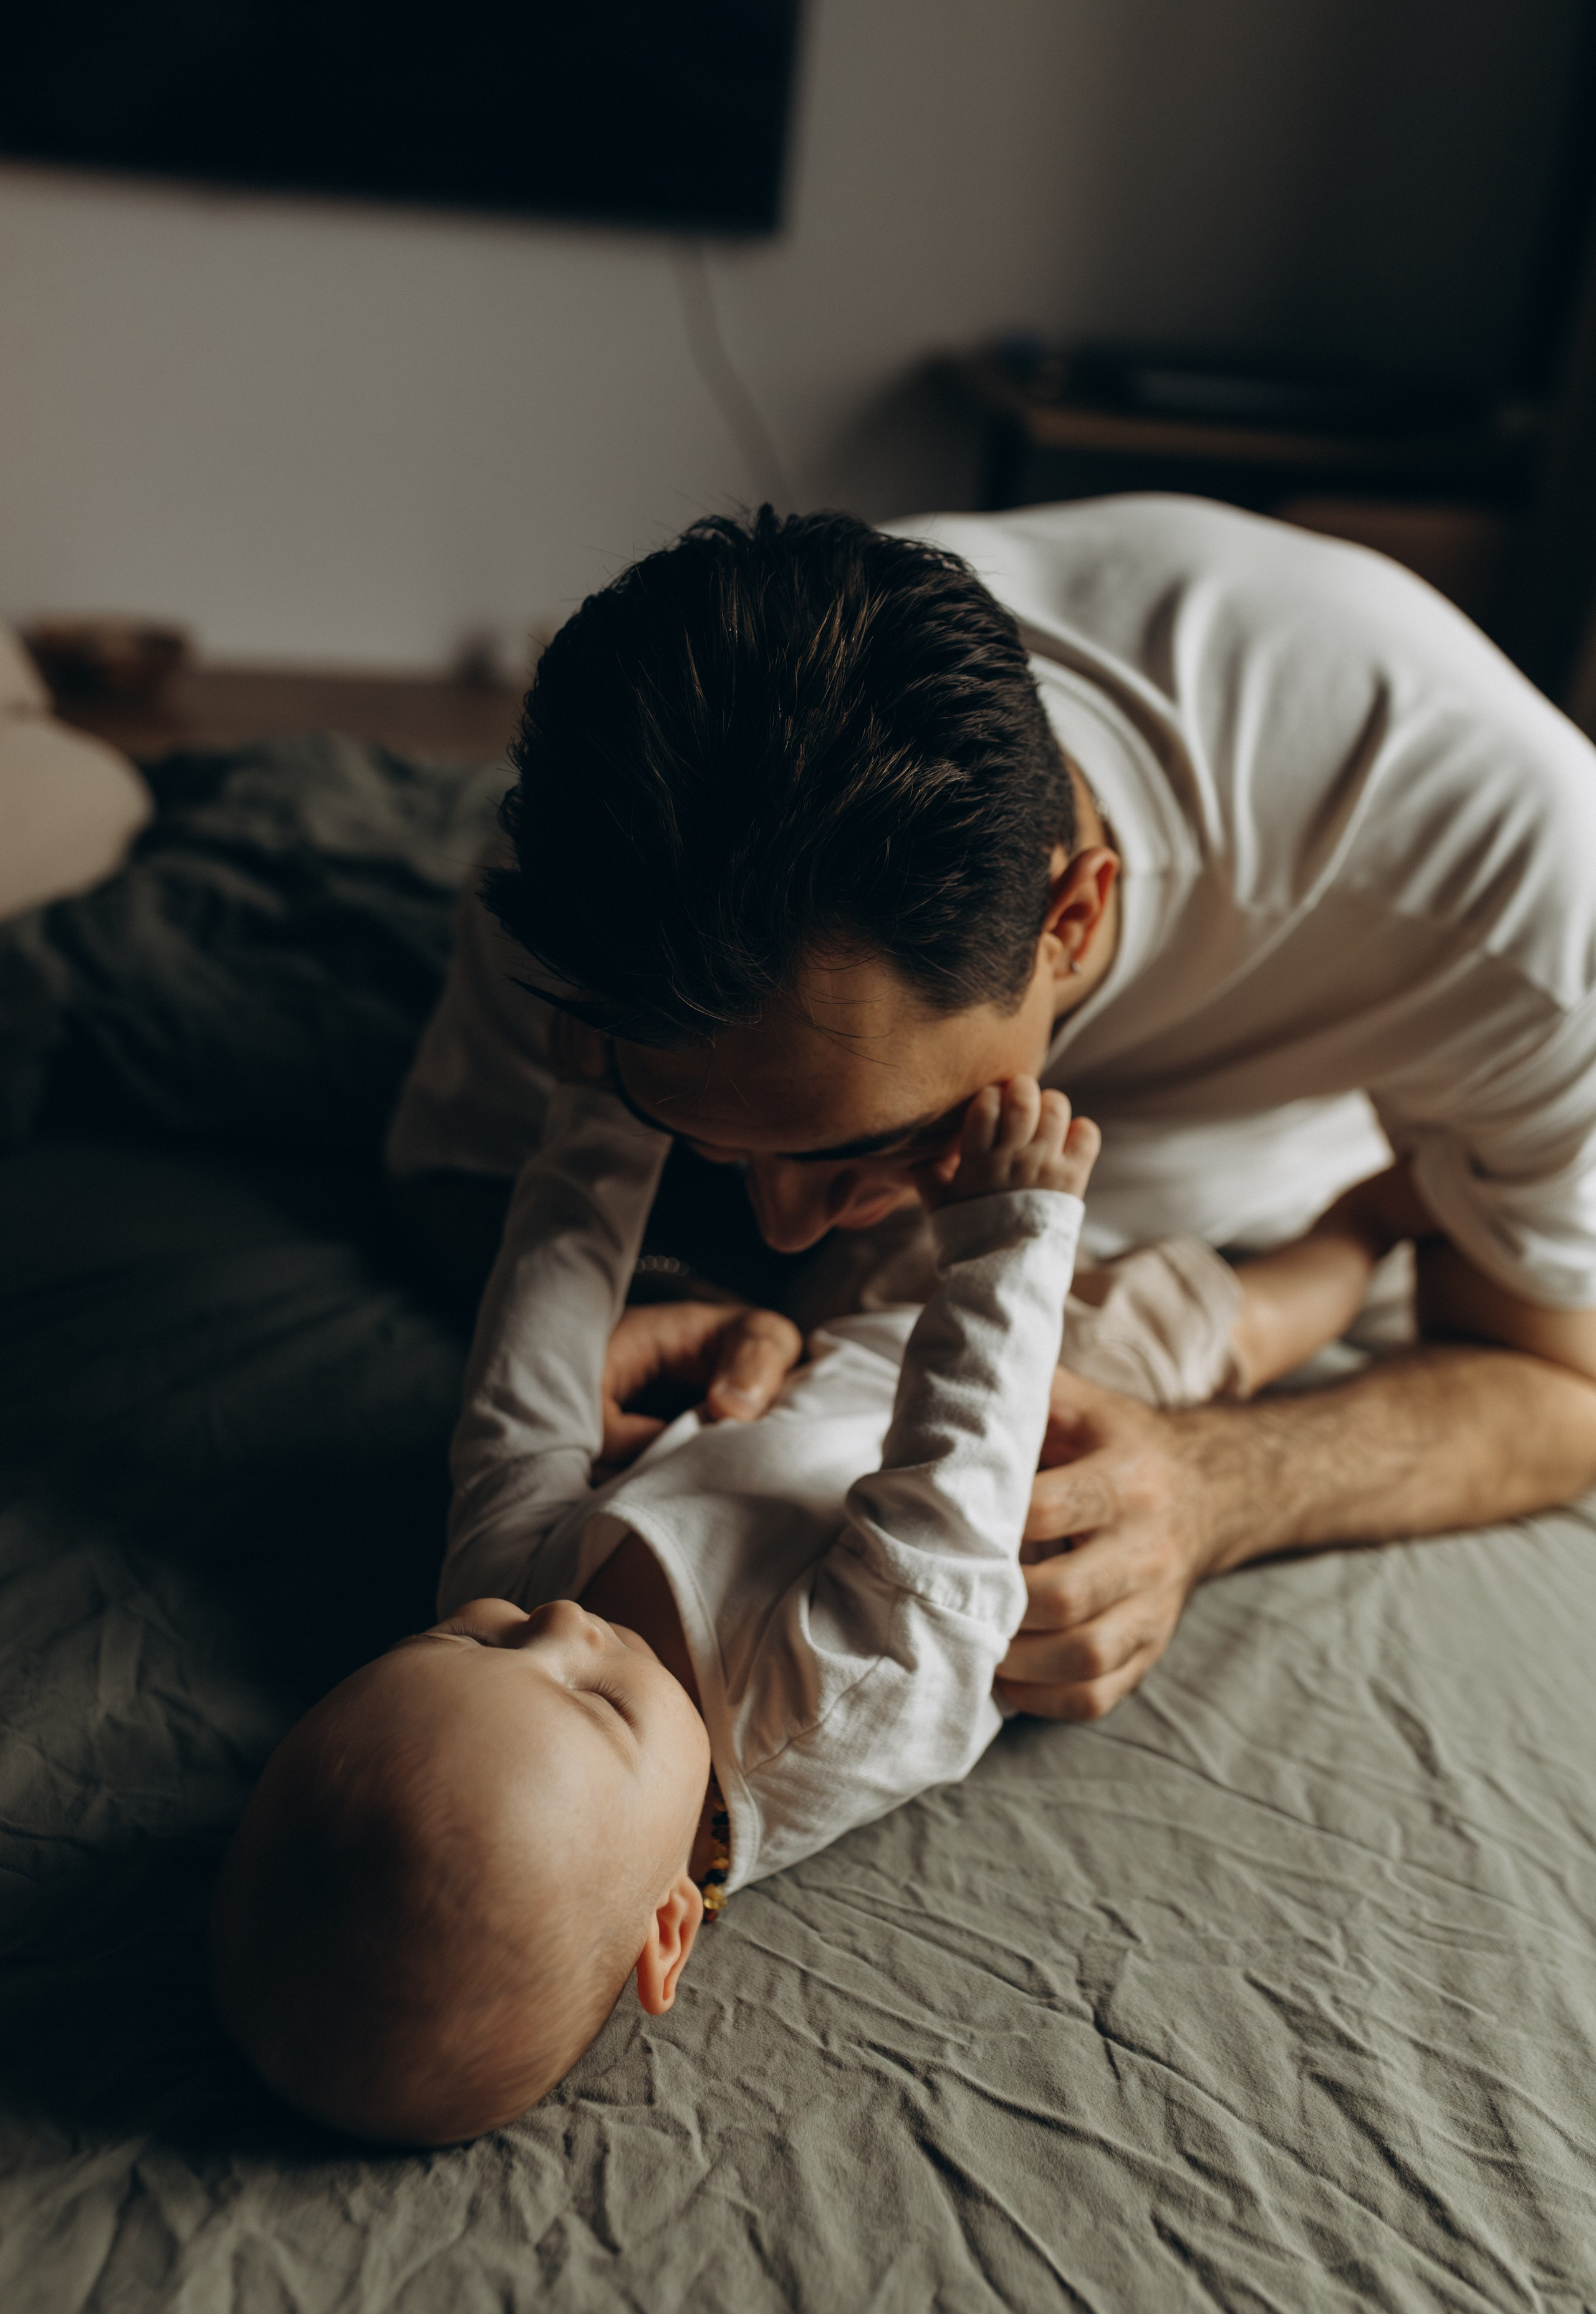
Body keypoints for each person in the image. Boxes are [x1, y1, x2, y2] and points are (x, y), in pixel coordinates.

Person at [388, 498, 1596, 1728]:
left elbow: (1561, 1387)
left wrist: (1216, 1484)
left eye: (876, 1141)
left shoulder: (1512, 886)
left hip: (1261, 1199)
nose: (789, 1231)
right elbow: (456, 1171)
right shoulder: (591, 892)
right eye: (696, 1142)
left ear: (1067, 921)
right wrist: (656, 1294)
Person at [214, 1069, 1394, 2144]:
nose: (556, 1626)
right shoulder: (820, 1713)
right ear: (665, 1926)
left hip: (858, 1338)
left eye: (467, 1638)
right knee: (1253, 1310)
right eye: (595, 1705)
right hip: (1056, 1395)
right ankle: (1385, 1219)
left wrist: (605, 1118)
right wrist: (1006, 1243)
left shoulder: (515, 1584)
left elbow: (526, 1384)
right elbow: (954, 1502)